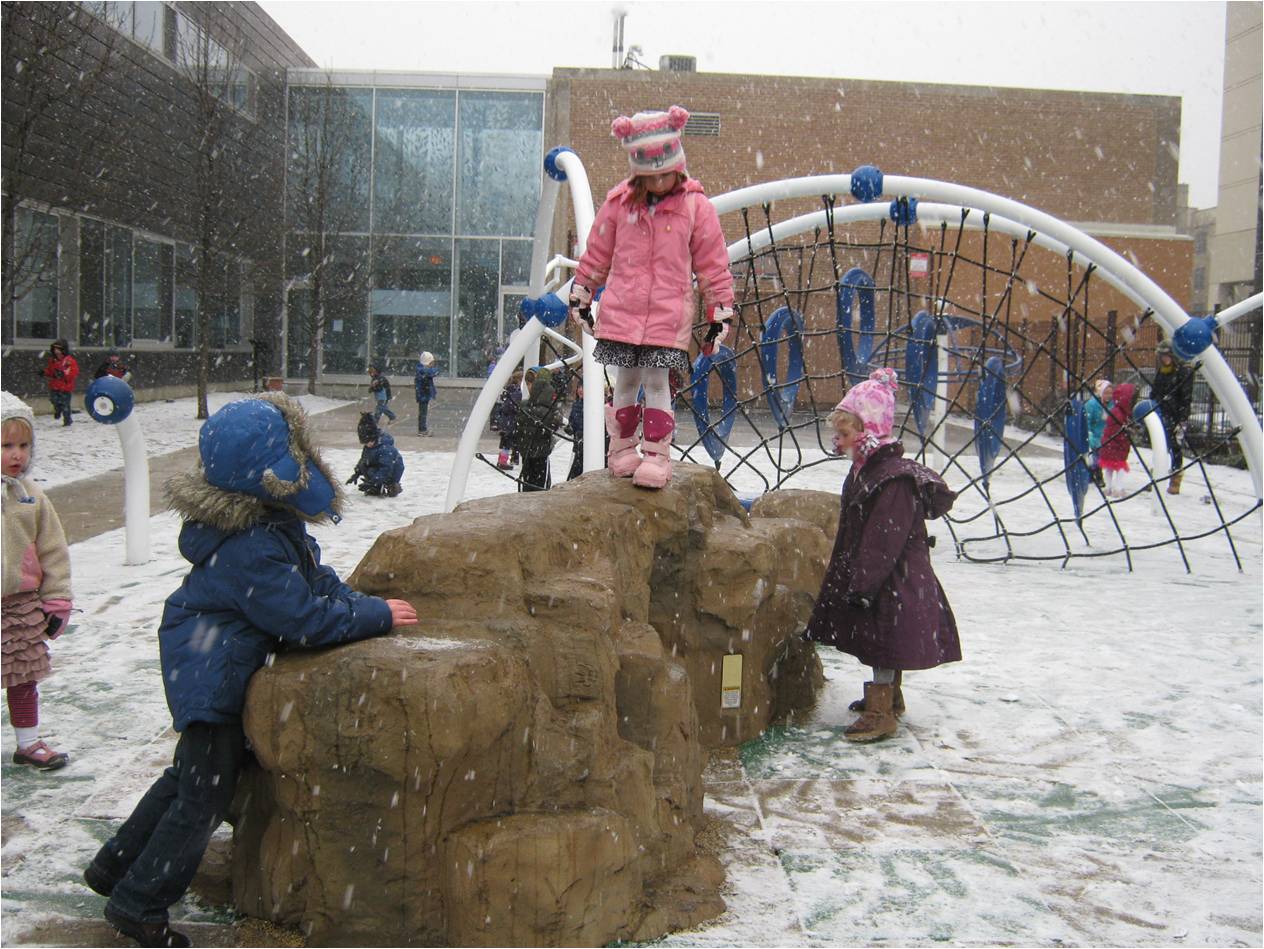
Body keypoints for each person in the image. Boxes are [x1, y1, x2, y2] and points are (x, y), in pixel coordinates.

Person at [82, 393, 417, 948]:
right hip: (210, 671)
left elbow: (313, 576)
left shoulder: (266, 524)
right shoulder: (250, 546)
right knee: (205, 794)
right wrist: (374, 616)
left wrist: (357, 599)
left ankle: (114, 867)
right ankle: (140, 905)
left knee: (187, 778)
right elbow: (301, 618)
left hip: (210, 659)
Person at [568, 105, 734, 489]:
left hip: (666, 315)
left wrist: (719, 311)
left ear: (677, 166)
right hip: (622, 312)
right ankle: (622, 449)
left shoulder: (695, 207)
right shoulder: (618, 206)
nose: (658, 182)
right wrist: (583, 291)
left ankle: (657, 454)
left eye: (664, 173)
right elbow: (597, 254)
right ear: (637, 173)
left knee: (658, 383)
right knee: (624, 382)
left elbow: (712, 263)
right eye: (650, 175)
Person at [805, 368, 961, 743]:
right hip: (883, 575)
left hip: (892, 577)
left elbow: (883, 540)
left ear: (867, 433)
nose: (837, 442)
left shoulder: (891, 479)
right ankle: (889, 696)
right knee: (880, 637)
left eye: (844, 434)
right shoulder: (866, 471)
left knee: (885, 637)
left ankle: (881, 711)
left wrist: (863, 583)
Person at [2, 392, 73, 771]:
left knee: (23, 676)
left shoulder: (32, 497)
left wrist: (57, 598)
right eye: (6, 445)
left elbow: (53, 550)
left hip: (19, 607)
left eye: (24, 445)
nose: (17, 455)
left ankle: (28, 742)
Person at [1149, 339, 1195, 495]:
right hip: (1161, 412)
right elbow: (1154, 392)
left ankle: (1175, 477)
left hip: (1176, 414)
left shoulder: (1183, 372)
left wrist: (1182, 417)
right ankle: (1157, 475)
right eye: (1162, 356)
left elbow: (1186, 396)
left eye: (1167, 356)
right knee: (1159, 444)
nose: (1165, 359)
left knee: (1175, 446)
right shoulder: (1161, 372)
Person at [516, 366, 563, 492]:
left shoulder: (527, 406)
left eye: (531, 383)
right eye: (527, 383)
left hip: (532, 451)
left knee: (531, 484)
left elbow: (519, 428)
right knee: (538, 485)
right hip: (536, 452)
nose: (529, 387)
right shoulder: (546, 407)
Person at [348, 413, 405, 497]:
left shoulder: (385, 448)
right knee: (365, 466)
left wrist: (372, 482)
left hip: (391, 471)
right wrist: (356, 473)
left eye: (368, 441)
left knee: (373, 471)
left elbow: (386, 468)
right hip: (377, 467)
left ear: (373, 437)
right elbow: (364, 459)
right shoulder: (369, 446)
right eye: (365, 442)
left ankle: (389, 485)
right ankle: (375, 485)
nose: (367, 444)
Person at [1098, 382, 1136, 499]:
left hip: (1110, 444)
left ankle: (1108, 487)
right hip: (1117, 446)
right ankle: (1118, 489)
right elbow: (1117, 429)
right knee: (1119, 468)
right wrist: (1127, 433)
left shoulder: (1116, 411)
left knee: (1109, 467)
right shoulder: (1121, 413)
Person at [42, 339, 79, 426]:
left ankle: (67, 420)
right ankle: (58, 410)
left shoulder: (69, 361)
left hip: (65, 387)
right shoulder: (53, 360)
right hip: (54, 386)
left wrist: (63, 375)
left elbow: (73, 373)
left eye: (58, 349)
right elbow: (50, 371)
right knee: (54, 400)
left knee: (66, 405)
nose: (56, 351)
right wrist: (44, 372)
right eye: (55, 349)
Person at [1084, 379, 1113, 489]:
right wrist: (1089, 433)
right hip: (1095, 435)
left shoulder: (1111, 405)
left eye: (1110, 393)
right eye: (1106, 393)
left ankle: (1091, 473)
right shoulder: (1092, 405)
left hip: (1107, 435)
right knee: (1097, 455)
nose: (1109, 396)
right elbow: (1087, 420)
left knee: (1101, 456)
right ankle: (1098, 475)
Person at [492, 369, 523, 469]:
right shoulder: (517, 392)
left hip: (506, 421)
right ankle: (504, 461)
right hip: (511, 421)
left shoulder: (509, 390)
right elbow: (511, 406)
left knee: (506, 441)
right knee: (509, 442)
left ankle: (504, 460)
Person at [414, 351, 439, 436]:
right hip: (423, 395)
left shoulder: (422, 370)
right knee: (423, 413)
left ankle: (422, 429)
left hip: (423, 395)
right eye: (431, 363)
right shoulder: (424, 371)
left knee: (423, 413)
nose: (433, 365)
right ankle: (422, 430)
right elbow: (433, 373)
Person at [565, 382, 587, 481]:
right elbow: (572, 420)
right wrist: (570, 427)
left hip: (586, 443)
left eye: (583, 387)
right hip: (578, 442)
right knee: (576, 470)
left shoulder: (593, 405)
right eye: (579, 387)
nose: (580, 390)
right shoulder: (576, 404)